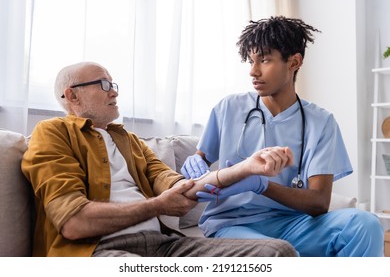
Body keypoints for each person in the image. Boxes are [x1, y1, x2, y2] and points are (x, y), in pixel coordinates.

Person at [21, 61, 297, 257]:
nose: (114, 91)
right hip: (98, 250)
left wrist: (247, 167)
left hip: (165, 247)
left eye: (113, 84)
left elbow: (183, 188)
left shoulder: (129, 141)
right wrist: (157, 206)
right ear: (72, 95)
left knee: (277, 253)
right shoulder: (53, 132)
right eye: (104, 84)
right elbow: (73, 222)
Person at [181, 16, 384, 257]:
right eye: (251, 61)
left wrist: (261, 185)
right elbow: (200, 161)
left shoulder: (321, 122)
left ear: (294, 62)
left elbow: (319, 203)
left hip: (294, 225)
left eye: (264, 60)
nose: (253, 71)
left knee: (366, 224)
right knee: (279, 252)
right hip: (233, 224)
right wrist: (196, 163)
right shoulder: (228, 108)